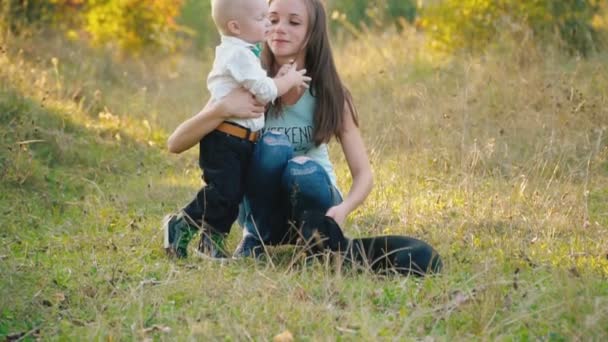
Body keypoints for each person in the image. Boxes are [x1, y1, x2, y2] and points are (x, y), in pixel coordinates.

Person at [166, 0, 373, 259]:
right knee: (272, 145)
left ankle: (313, 244)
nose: (278, 28)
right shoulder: (248, 81)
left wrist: (343, 209)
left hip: (314, 199)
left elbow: (364, 174)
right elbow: (175, 143)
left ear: (313, 31)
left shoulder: (331, 94)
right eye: (272, 19)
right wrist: (223, 109)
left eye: (294, 22)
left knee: (302, 168)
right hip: (261, 211)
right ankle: (255, 237)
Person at [163, 0, 310, 259]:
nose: (268, 24)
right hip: (225, 138)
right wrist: (290, 80)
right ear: (235, 26)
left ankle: (211, 244)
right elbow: (264, 91)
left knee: (231, 197)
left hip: (241, 140)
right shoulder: (237, 54)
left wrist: (280, 78)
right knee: (222, 192)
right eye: (261, 18)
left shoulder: (246, 54)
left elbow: (260, 90)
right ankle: (181, 224)